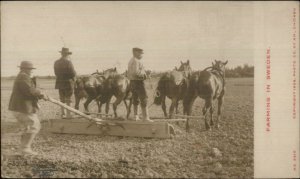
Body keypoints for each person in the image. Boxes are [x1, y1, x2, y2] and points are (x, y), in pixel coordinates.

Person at [8, 61, 48, 155]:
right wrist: (41, 94)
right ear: (24, 69)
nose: (31, 71)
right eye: (30, 69)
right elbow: (30, 90)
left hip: (20, 107)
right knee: (34, 125)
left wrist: (41, 93)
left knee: (28, 127)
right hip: (22, 107)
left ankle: (23, 148)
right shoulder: (23, 77)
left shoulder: (23, 76)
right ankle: (25, 148)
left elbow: (31, 89)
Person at [127, 47, 153, 122]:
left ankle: (136, 116)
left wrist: (144, 72)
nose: (141, 55)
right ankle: (146, 118)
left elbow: (133, 73)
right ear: (135, 52)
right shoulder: (136, 61)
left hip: (132, 82)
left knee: (135, 99)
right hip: (138, 82)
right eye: (140, 53)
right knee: (144, 98)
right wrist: (146, 74)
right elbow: (136, 73)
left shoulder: (131, 60)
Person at [54, 47, 76, 118]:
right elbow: (72, 73)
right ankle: (69, 114)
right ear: (67, 54)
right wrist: (75, 74)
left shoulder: (56, 62)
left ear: (62, 54)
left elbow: (56, 73)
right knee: (68, 99)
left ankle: (63, 114)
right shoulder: (68, 62)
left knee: (62, 99)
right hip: (68, 83)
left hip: (59, 83)